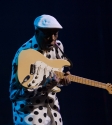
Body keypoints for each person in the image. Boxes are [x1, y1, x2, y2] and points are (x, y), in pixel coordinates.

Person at [9, 14, 71, 125]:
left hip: (53, 112)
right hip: (30, 115)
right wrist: (46, 87)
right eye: (47, 35)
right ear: (37, 32)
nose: (52, 39)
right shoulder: (24, 54)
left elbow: (56, 78)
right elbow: (15, 94)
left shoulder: (58, 46)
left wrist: (62, 81)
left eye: (55, 34)